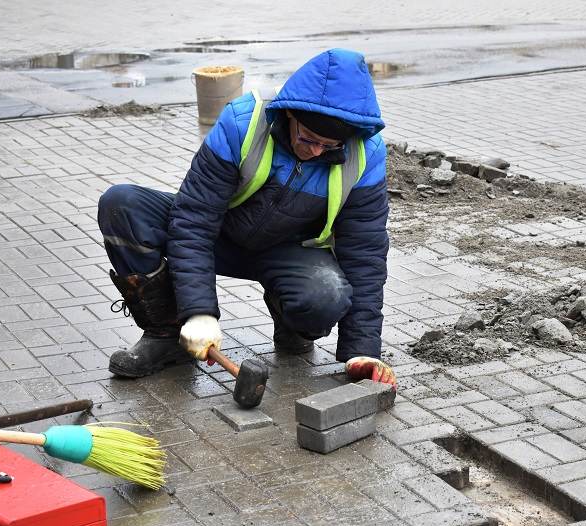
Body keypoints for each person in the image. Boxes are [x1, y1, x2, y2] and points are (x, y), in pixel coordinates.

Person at [97, 48, 396, 388]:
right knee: (122, 204)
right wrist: (198, 313)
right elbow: (194, 220)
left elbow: (365, 253)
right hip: (221, 232)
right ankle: (168, 335)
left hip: (288, 250)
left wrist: (363, 349)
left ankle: (291, 318)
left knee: (326, 296)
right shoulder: (244, 123)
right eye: (309, 138)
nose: (316, 151)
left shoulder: (365, 155)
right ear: (290, 115)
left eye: (330, 146)